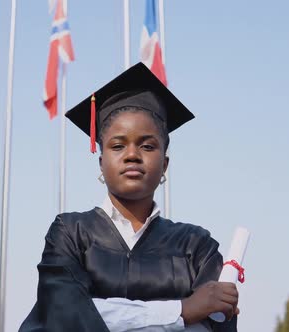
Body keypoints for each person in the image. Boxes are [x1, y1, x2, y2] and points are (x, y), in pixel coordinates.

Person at [20, 63, 239, 332]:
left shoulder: (197, 246)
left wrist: (100, 310)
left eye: (147, 146)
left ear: (165, 165)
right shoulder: (70, 233)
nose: (132, 154)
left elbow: (213, 324)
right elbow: (63, 314)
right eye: (118, 145)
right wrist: (182, 310)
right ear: (101, 163)